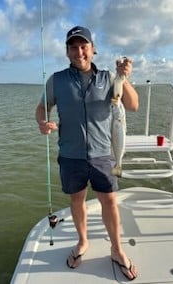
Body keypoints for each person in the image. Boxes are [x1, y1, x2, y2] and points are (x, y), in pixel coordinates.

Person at [36, 26, 139, 280]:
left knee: (110, 202)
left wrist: (123, 77)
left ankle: (116, 249)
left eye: (84, 46)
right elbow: (42, 107)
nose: (79, 52)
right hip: (71, 154)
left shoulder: (108, 79)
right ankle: (83, 242)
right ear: (67, 51)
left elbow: (132, 105)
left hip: (104, 154)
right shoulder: (57, 80)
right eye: (73, 47)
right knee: (77, 200)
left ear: (93, 50)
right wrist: (42, 123)